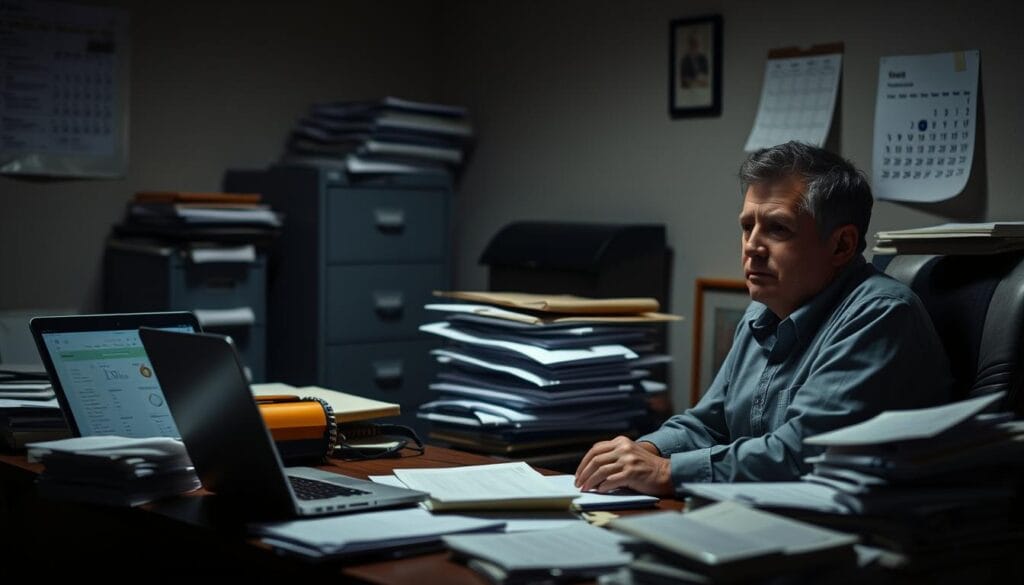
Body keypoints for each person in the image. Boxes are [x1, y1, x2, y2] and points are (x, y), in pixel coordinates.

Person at [574, 142, 953, 495]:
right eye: (746, 226)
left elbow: (801, 453)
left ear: (842, 245)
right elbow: (710, 423)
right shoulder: (764, 312)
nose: (752, 246)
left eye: (777, 228)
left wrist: (663, 472)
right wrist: (641, 450)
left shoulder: (880, 316)